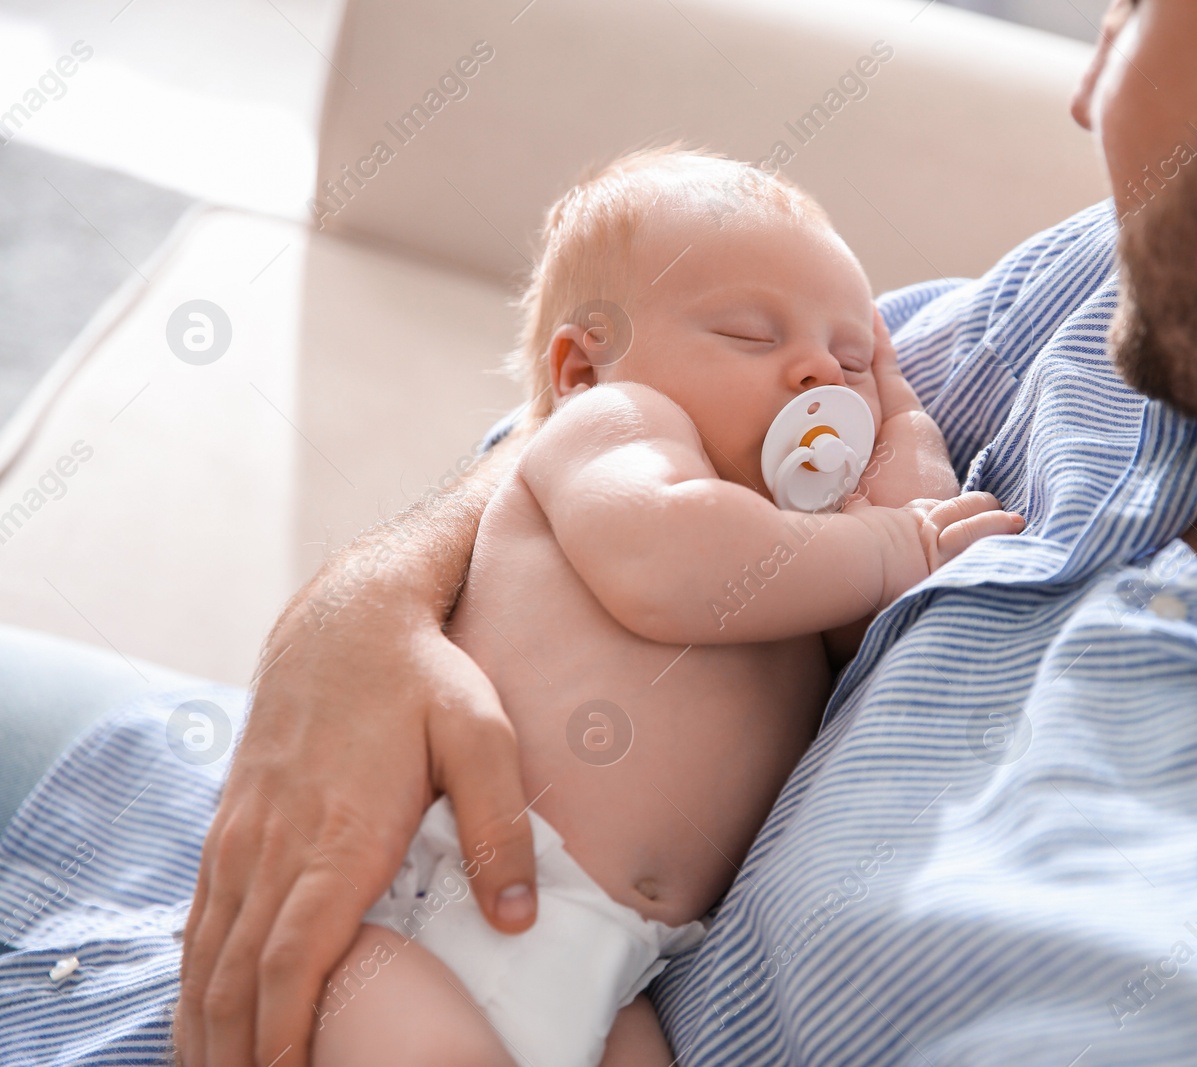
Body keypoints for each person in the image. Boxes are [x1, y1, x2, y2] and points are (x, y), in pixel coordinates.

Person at [2, 0, 1197, 1063]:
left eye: (1133, 0)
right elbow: (623, 436)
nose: (1089, 74)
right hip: (153, 830)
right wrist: (365, 608)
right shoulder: (1150, 298)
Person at [302, 146, 1019, 1067]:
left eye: (850, 357)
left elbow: (881, 618)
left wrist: (905, 430)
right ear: (581, 369)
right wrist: (901, 541)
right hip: (431, 915)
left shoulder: (805, 552)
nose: (819, 377)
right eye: (752, 336)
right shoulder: (613, 430)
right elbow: (668, 562)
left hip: (614, 974)